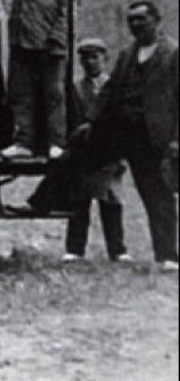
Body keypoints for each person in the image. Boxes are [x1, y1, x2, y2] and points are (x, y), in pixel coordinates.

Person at [15, 1, 177, 272]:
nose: (135, 25)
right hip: (120, 129)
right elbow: (111, 91)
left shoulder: (172, 54)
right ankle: (40, 200)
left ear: (157, 21)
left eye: (141, 20)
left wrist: (175, 139)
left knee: (156, 193)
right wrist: (90, 122)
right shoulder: (128, 53)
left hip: (152, 134)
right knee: (76, 155)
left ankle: (168, 256)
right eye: (131, 21)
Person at [2, 0, 71, 159]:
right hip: (22, 38)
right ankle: (24, 141)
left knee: (53, 94)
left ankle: (56, 141)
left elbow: (69, 6)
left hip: (50, 42)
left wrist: (58, 37)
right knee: (21, 93)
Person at [61, 38, 130, 263]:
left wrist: (121, 154)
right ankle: (75, 249)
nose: (90, 62)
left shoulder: (117, 88)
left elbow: (122, 123)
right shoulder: (75, 89)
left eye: (95, 57)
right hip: (83, 153)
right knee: (78, 203)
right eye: (85, 58)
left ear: (105, 58)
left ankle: (117, 250)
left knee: (111, 203)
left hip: (108, 153)